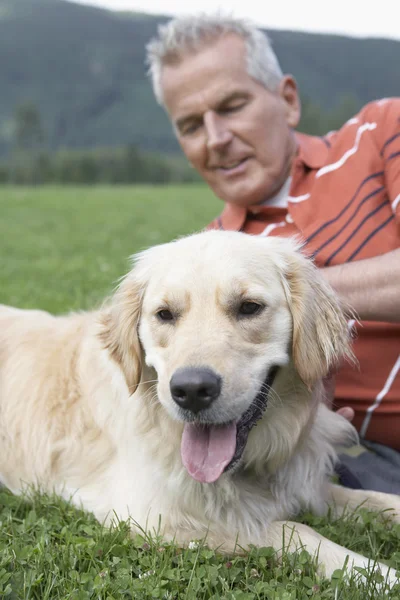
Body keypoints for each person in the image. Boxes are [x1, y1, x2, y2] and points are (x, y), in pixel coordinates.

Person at [145, 14, 400, 491]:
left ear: (287, 99)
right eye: (191, 125)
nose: (216, 138)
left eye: (232, 106)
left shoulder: (382, 133)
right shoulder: (207, 255)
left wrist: (298, 299)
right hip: (361, 455)